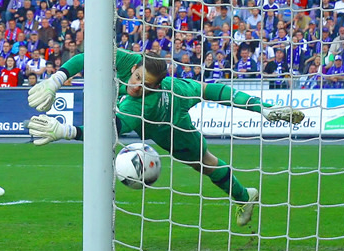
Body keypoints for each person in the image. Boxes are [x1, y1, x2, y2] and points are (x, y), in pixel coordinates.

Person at [26, 52, 305, 226]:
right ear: (135, 66)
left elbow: (108, 132)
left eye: (144, 84)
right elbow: (90, 57)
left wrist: (66, 131)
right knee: (206, 164)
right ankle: (245, 197)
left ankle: (245, 196)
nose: (135, 86)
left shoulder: (141, 106)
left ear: (156, 86)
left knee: (205, 164)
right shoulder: (129, 62)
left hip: (178, 133)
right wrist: (56, 80)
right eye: (136, 77)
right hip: (166, 120)